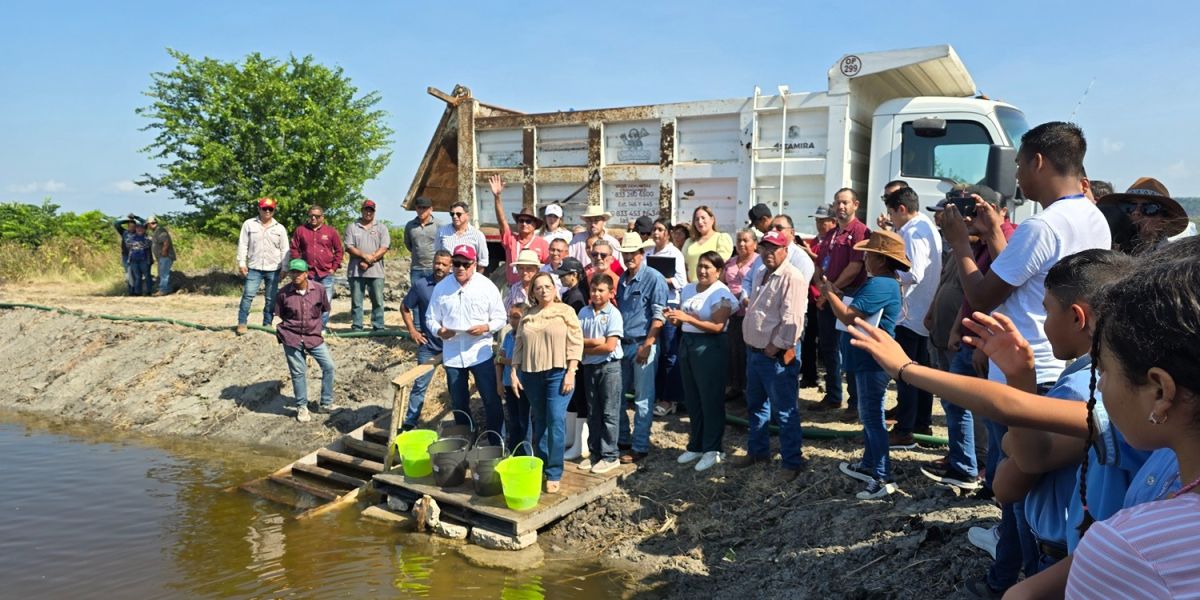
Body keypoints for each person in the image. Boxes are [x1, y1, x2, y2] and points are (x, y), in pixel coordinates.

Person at [939, 121, 1110, 597]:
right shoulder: (1093, 218)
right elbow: (1031, 281)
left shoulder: (1042, 224)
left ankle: (1007, 580)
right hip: (1067, 363)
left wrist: (958, 242)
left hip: (1027, 370)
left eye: (1018, 163)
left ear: (1037, 161)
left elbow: (981, 295)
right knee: (1050, 491)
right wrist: (996, 235)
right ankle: (1022, 571)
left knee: (1015, 487)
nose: (1016, 174)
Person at [822, 230, 907, 499]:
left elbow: (850, 316)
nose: (865, 258)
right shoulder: (883, 282)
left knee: (872, 418)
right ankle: (871, 464)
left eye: (869, 254)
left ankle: (882, 476)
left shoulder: (881, 284)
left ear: (881, 259)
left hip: (872, 361)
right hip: (867, 359)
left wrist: (828, 292)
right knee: (870, 416)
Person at [735, 230, 810, 483]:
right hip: (755, 351)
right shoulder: (760, 273)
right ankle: (758, 452)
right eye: (765, 247)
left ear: (785, 250)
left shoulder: (792, 277)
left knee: (785, 411)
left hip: (773, 355)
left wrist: (775, 346)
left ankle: (792, 462)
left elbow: (793, 321)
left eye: (774, 248)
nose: (768, 252)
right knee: (756, 406)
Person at [510, 272, 584, 493]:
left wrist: (572, 371)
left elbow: (576, 341)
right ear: (532, 291)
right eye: (538, 287)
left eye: (547, 286)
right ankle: (541, 464)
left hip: (558, 373)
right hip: (531, 374)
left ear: (555, 288)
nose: (543, 290)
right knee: (540, 420)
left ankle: (554, 471)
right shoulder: (527, 314)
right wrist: (514, 371)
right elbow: (519, 345)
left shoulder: (566, 311)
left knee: (555, 419)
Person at [667, 250, 738, 472]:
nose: (702, 270)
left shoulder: (721, 293)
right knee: (693, 397)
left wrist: (688, 318)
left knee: (710, 398)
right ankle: (696, 444)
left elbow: (718, 326)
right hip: (688, 343)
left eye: (708, 267)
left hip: (710, 347)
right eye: (700, 266)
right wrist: (676, 318)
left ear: (718, 271)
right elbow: (683, 318)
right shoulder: (688, 288)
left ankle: (713, 448)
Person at [427, 244, 507, 434]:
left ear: (474, 264)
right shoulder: (442, 288)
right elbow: (430, 318)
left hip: (480, 353)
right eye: (456, 263)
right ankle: (466, 437)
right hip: (453, 354)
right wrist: (440, 331)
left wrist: (486, 327)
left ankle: (496, 438)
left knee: (490, 398)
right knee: (458, 401)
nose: (460, 268)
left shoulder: (487, 286)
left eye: (465, 264)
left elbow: (500, 317)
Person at [883, 186, 942, 443]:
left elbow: (913, 272)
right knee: (920, 372)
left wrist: (888, 276)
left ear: (902, 209)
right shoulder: (922, 226)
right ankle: (921, 424)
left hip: (911, 312)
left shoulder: (914, 231)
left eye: (892, 213)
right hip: (919, 311)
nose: (891, 219)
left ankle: (905, 428)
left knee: (906, 372)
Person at [812, 188, 870, 413]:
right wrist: (821, 288)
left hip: (849, 297)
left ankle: (855, 403)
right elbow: (819, 263)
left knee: (850, 349)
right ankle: (833, 395)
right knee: (828, 347)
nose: (841, 207)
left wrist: (831, 291)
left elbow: (856, 266)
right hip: (828, 298)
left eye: (845, 202)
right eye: (837, 203)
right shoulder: (831, 233)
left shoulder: (860, 232)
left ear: (856, 204)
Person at [615, 234, 669, 464]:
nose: (629, 257)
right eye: (625, 253)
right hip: (624, 343)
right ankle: (624, 439)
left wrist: (648, 344)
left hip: (642, 342)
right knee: (618, 395)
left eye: (633, 252)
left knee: (643, 398)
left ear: (642, 253)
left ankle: (640, 446)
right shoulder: (621, 279)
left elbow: (659, 315)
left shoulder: (654, 278)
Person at [274, 258, 336, 423]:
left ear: (306, 273)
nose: (295, 276)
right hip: (291, 336)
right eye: (293, 272)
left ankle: (326, 403)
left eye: (299, 272)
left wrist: (319, 328)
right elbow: (279, 314)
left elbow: (324, 310)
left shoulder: (319, 290)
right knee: (298, 373)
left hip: (313, 336)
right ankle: (302, 407)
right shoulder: (283, 293)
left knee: (329, 366)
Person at [576, 274, 624, 475]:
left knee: (609, 412)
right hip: (589, 368)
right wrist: (594, 342)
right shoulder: (584, 312)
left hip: (609, 368)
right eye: (593, 290)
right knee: (593, 411)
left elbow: (609, 346)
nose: (596, 293)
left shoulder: (613, 314)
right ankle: (595, 451)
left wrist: (586, 347)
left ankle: (610, 455)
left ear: (611, 292)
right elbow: (576, 339)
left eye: (601, 290)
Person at [399, 250, 452, 431]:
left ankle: (461, 420)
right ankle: (410, 422)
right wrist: (413, 331)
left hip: (452, 346)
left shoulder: (456, 284)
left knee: (455, 385)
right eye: (437, 263)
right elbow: (405, 307)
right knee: (420, 384)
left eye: (444, 264)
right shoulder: (421, 285)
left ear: (450, 266)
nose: (440, 267)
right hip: (428, 345)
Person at [647, 217, 686, 416]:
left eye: (660, 229)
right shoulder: (647, 252)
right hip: (652, 304)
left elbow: (681, 281)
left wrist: (661, 280)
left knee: (670, 353)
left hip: (669, 305)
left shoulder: (675, 254)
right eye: (654, 229)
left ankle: (670, 399)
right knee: (655, 352)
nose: (656, 233)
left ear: (668, 233)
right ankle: (655, 393)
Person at [236, 197, 289, 335]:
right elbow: (243, 244)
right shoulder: (249, 224)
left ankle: (267, 323)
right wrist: (242, 262)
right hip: (254, 267)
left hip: (274, 268)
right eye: (264, 208)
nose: (267, 211)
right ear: (259, 209)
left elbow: (285, 249)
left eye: (270, 209)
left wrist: (285, 268)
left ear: (274, 210)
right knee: (248, 295)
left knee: (271, 298)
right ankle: (242, 323)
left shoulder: (280, 228)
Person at [1096, 177, 1190, 253]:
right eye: (1128, 206)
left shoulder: (1170, 261)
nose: (1136, 212)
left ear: (1163, 221)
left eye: (1149, 208)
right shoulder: (1105, 249)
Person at [800, 204, 837, 388]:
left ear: (833, 221)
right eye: (817, 221)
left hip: (828, 298)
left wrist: (811, 254)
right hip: (812, 298)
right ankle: (809, 375)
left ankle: (832, 383)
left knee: (828, 344)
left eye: (823, 220)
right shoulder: (814, 242)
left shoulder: (835, 241)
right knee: (809, 339)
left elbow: (827, 265)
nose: (819, 224)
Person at [490, 174, 550, 286]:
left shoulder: (542, 244)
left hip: (533, 289)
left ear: (535, 225)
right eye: (521, 220)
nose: (524, 223)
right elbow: (502, 221)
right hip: (513, 287)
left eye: (528, 221)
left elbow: (548, 268)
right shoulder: (511, 240)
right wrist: (497, 197)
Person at [290, 205, 343, 329]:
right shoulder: (301, 230)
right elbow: (294, 249)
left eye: (317, 216)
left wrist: (333, 268)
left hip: (326, 274)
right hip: (308, 274)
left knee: (325, 302)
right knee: (306, 301)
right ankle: (307, 326)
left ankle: (321, 328)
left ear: (322, 217)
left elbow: (339, 251)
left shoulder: (331, 232)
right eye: (311, 216)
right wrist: (299, 267)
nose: (313, 218)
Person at [344, 199, 390, 331]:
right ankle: (357, 326)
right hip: (356, 271)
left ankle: (378, 326)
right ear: (362, 210)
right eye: (366, 209)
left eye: (371, 210)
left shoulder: (381, 227)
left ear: (374, 212)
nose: (368, 212)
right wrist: (364, 256)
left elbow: (384, 247)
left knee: (377, 300)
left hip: (376, 271)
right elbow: (349, 246)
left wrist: (369, 261)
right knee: (357, 302)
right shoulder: (352, 227)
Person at [722, 228, 758, 401]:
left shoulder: (759, 262)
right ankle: (735, 385)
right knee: (733, 350)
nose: (741, 244)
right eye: (739, 240)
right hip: (731, 313)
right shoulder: (730, 262)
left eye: (746, 240)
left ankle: (748, 388)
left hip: (750, 313)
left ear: (755, 243)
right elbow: (721, 283)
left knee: (747, 351)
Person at [495, 307, 528, 449]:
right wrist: (499, 382)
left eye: (516, 317)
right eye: (511, 317)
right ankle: (514, 450)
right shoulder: (508, 335)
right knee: (513, 420)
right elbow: (497, 360)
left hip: (522, 384)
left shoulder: (527, 337)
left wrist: (505, 360)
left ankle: (527, 452)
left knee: (524, 420)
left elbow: (522, 361)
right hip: (508, 382)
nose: (512, 321)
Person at [681, 205, 733, 282]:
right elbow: (683, 265)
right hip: (692, 287)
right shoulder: (689, 241)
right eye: (696, 219)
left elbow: (722, 265)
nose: (700, 222)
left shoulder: (721, 238)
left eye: (703, 218)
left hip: (711, 287)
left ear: (712, 219)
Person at [435, 201, 490, 269]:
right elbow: (437, 255)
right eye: (452, 214)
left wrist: (475, 278)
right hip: (447, 276)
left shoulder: (478, 235)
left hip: (467, 276)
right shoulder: (442, 231)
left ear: (467, 215)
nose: (455, 216)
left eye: (458, 214)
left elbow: (483, 262)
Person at [404, 196, 439, 281]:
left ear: (431, 209)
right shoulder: (410, 226)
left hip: (433, 268)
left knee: (434, 293)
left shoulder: (439, 225)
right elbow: (408, 244)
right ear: (416, 208)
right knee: (416, 293)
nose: (421, 210)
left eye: (424, 208)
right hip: (416, 269)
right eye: (419, 208)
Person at [145, 215, 175, 296]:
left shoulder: (160, 231)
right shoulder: (156, 231)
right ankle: (167, 289)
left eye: (147, 225)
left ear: (150, 224)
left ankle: (163, 290)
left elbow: (166, 242)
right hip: (161, 257)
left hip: (165, 256)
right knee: (162, 273)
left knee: (163, 273)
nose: (147, 227)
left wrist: (164, 251)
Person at [123, 221, 152, 296]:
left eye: (141, 228)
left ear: (144, 229)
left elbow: (146, 245)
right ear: (135, 229)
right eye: (138, 228)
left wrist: (136, 245)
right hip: (133, 260)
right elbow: (128, 245)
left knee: (147, 275)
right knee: (137, 277)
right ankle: (137, 292)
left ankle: (149, 291)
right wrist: (139, 245)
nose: (140, 229)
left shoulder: (148, 238)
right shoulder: (130, 237)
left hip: (144, 260)